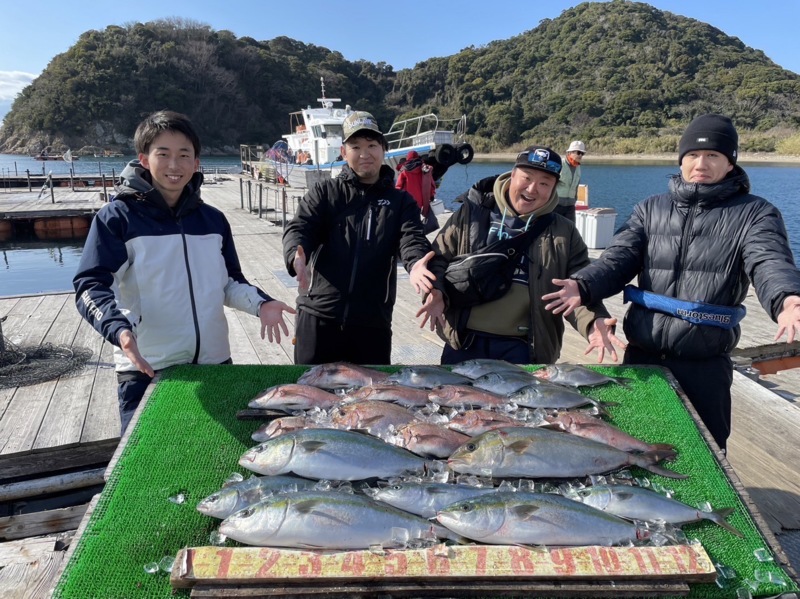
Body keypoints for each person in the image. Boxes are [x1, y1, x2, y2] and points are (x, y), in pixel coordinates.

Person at [542, 114, 800, 451]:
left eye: (713, 155)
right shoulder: (650, 209)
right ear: (681, 160)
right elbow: (618, 258)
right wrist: (583, 284)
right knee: (633, 444)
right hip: (643, 357)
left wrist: (787, 298)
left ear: (730, 162)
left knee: (705, 452)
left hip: (705, 364)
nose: (700, 164)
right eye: (692, 155)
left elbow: (768, 260)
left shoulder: (756, 214)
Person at [74, 110, 295, 433]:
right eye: (163, 154)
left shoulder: (213, 220)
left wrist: (262, 304)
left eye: (184, 155)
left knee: (218, 451)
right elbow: (90, 285)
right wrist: (118, 329)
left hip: (215, 363)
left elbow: (229, 282)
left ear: (196, 163)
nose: (174, 165)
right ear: (144, 159)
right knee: (147, 458)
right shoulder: (117, 218)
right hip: (147, 369)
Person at [432, 145, 624, 365]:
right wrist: (435, 292)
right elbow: (438, 259)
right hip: (463, 340)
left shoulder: (565, 231)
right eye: (527, 177)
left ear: (554, 188)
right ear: (512, 175)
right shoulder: (473, 212)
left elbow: (577, 287)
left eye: (544, 183)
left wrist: (593, 322)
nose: (532, 189)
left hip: (524, 347)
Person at [283, 111, 446, 365]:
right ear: (343, 151)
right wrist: (295, 254)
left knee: (371, 390)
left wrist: (416, 265)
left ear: (383, 149)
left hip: (372, 324)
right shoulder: (325, 192)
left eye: (371, 145)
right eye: (356, 146)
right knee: (309, 386)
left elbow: (412, 241)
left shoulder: (401, 202)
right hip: (318, 317)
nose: (364, 153)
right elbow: (301, 227)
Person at [396, 150, 438, 233]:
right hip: (421, 200)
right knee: (417, 217)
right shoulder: (425, 169)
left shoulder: (404, 170)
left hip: (408, 200)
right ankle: (418, 232)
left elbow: (398, 186)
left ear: (408, 158)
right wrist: (432, 195)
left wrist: (396, 199)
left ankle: (412, 232)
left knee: (409, 218)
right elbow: (431, 184)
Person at [554, 140, 586, 223]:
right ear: (570, 153)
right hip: (556, 204)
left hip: (570, 205)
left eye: (582, 153)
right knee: (554, 228)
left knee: (570, 228)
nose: (580, 155)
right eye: (578, 152)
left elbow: (576, 185)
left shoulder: (578, 167)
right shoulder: (560, 164)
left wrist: (575, 200)